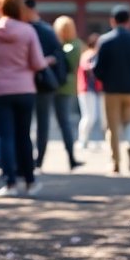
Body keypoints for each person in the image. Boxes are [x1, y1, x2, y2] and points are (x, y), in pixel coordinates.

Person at [0, 0, 48, 197]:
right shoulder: (28, 31)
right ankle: (30, 181)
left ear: (0, 7)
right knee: (24, 136)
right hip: (24, 89)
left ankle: (9, 183)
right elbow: (37, 63)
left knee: (5, 136)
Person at [92, 5, 130, 175]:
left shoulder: (105, 41)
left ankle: (115, 161)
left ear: (112, 21)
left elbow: (98, 69)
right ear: (128, 21)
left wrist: (104, 80)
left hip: (111, 90)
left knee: (113, 127)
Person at [22, 0, 76, 170]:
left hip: (26, 83)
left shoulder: (25, 30)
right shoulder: (47, 31)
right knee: (43, 123)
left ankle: (30, 160)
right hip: (46, 84)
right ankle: (40, 159)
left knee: (26, 123)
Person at [47, 14, 84, 169]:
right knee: (64, 122)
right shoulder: (76, 45)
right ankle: (71, 156)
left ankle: (70, 156)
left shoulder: (66, 46)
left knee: (61, 122)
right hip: (66, 86)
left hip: (58, 85)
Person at [76, 31, 103, 150]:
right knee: (89, 116)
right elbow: (87, 68)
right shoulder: (89, 54)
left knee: (91, 116)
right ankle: (82, 140)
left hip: (91, 89)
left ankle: (85, 140)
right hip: (87, 89)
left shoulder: (91, 54)